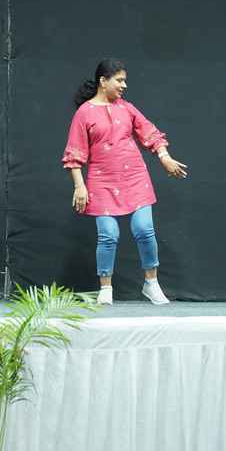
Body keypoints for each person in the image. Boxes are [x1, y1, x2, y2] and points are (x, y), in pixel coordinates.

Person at [62, 58, 188, 306]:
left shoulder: (127, 108)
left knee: (144, 230)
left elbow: (150, 133)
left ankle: (151, 284)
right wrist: (79, 185)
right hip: (101, 181)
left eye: (124, 80)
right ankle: (105, 288)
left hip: (135, 177)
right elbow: (74, 153)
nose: (124, 85)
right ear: (103, 81)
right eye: (119, 80)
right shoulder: (84, 113)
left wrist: (165, 157)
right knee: (108, 235)